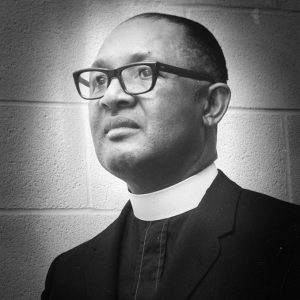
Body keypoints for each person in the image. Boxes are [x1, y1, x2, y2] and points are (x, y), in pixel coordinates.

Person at [41, 13, 300, 300]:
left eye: (143, 73)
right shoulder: (67, 273)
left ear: (211, 104)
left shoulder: (289, 239)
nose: (110, 97)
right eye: (100, 80)